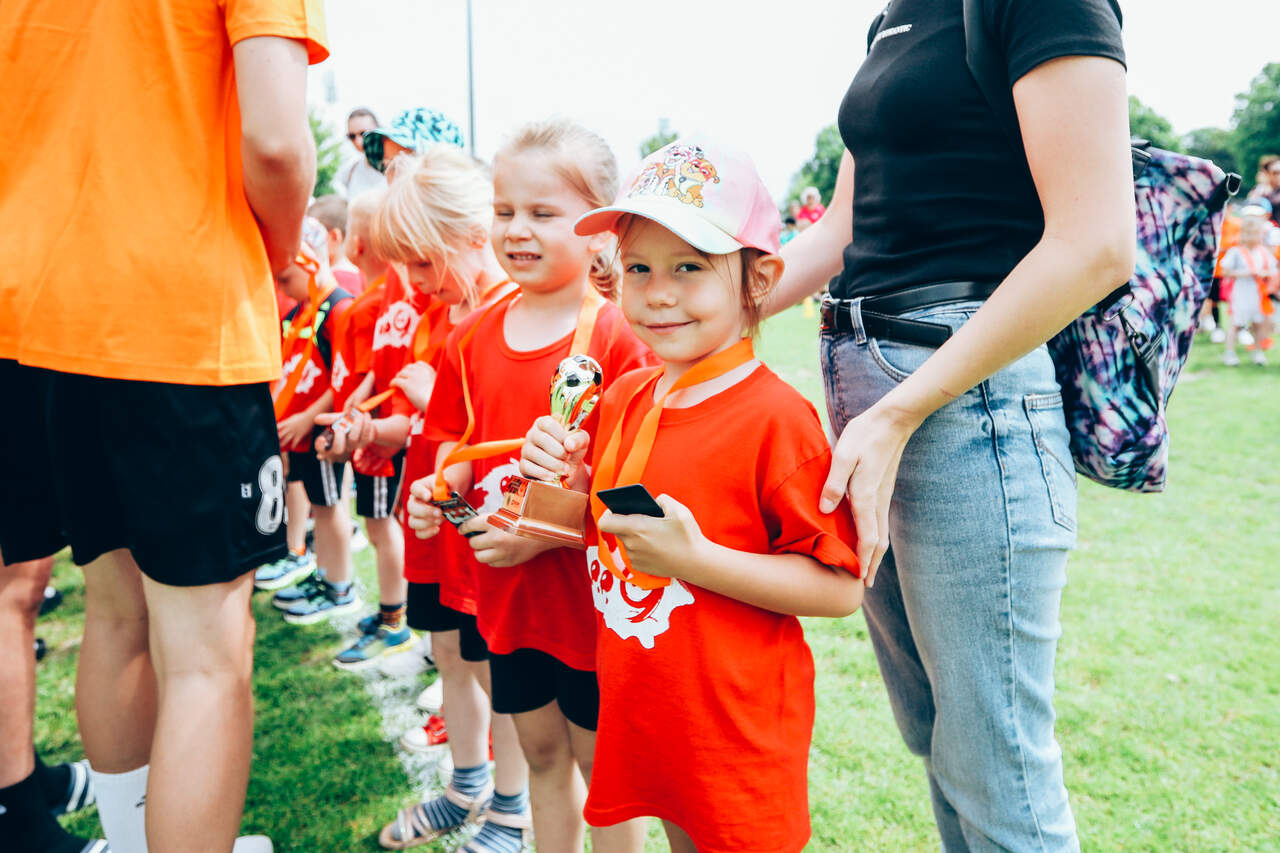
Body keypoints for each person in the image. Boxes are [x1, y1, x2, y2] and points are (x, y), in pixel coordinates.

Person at [770, 1, 1134, 850]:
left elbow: (1096, 242)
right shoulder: (894, 16)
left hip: (967, 404)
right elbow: (843, 228)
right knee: (938, 738)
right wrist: (691, 299)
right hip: (870, 393)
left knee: (994, 766)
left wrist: (899, 410)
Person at [0, 2, 326, 851]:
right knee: (208, 656)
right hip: (177, 311)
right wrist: (279, 257)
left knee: (115, 614)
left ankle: (127, 836)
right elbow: (277, 144)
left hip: (36, 312)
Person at [522, 137, 865, 853]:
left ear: (758, 279)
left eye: (689, 266)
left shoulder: (777, 421)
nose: (658, 292)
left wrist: (696, 559)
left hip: (734, 737)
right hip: (650, 714)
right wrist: (562, 477)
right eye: (638, 267)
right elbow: (608, 533)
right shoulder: (624, 395)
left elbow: (840, 588)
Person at [406, 119, 658, 853]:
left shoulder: (619, 335)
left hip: (590, 609)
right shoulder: (470, 337)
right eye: (505, 210)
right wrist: (440, 498)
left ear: (599, 227)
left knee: (604, 778)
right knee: (542, 757)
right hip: (510, 604)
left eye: (543, 213)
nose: (517, 229)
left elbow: (642, 490)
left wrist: (540, 532)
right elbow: (453, 445)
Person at [359, 143, 535, 853]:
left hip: (483, 520)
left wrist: (435, 399)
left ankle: (511, 807)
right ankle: (467, 784)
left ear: (471, 234)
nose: (414, 281)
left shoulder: (516, 313)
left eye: (424, 262)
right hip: (433, 514)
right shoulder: (443, 309)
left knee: (498, 668)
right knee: (449, 651)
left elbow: (518, 431)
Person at [270, 221, 359, 626]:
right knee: (319, 508)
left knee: (330, 507)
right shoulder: (305, 309)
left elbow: (344, 377)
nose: (281, 287)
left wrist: (307, 418)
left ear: (307, 262)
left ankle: (338, 586)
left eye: (285, 277)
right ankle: (323, 576)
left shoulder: (338, 309)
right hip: (301, 436)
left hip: (320, 433)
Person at [1220, 205, 1280, 366]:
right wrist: (1246, 273)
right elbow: (1226, 271)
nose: (1252, 237)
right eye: (1249, 233)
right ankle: (1230, 353)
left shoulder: (1263, 252)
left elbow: (1272, 270)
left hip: (1258, 295)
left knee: (1258, 324)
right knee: (1235, 323)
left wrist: (1264, 274)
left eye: (1255, 233)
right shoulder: (1236, 252)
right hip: (1241, 293)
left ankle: (1257, 352)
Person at [308, 194, 365, 294]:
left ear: (334, 237)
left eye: (313, 236)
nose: (307, 244)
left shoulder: (333, 281)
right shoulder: (361, 275)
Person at [336, 107, 387, 200]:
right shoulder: (348, 172)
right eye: (352, 136)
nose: (358, 141)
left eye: (364, 134)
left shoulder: (397, 167)